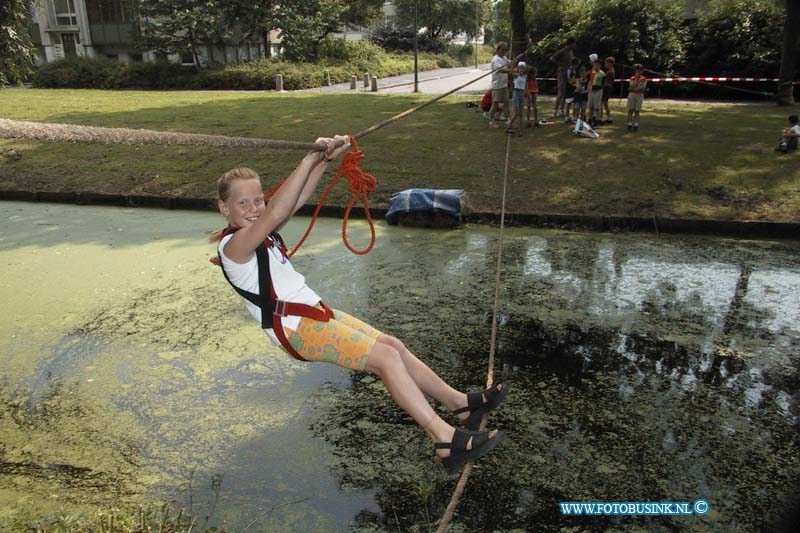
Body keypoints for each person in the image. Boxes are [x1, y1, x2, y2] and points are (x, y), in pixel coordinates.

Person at [211, 138, 507, 474]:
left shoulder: (259, 232)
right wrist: (308, 158)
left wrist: (323, 160)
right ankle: (444, 439)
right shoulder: (234, 247)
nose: (255, 209)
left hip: (315, 314)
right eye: (243, 203)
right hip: (296, 329)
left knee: (392, 346)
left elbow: (293, 202)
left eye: (259, 200)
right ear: (224, 208)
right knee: (385, 360)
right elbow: (278, 210)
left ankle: (461, 405)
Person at [549, 37, 577, 118]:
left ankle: (562, 110)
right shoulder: (563, 51)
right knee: (561, 92)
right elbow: (552, 58)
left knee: (565, 92)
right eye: (574, 43)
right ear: (571, 43)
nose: (575, 45)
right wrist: (560, 64)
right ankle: (555, 111)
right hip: (562, 73)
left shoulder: (571, 52)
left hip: (569, 73)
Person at [489, 42, 512, 128]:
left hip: (504, 85)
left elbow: (510, 63)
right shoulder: (496, 60)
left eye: (505, 50)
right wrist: (510, 70)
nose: (504, 51)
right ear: (498, 49)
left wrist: (515, 60)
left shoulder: (504, 58)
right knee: (495, 104)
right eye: (502, 50)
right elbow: (501, 70)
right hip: (497, 86)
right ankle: (491, 120)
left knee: (506, 103)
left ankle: (509, 120)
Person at [506, 61, 528, 135]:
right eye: (520, 68)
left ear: (524, 69)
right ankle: (509, 126)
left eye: (523, 68)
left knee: (521, 113)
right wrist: (512, 64)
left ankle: (520, 129)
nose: (521, 69)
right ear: (518, 68)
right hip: (516, 93)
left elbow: (525, 85)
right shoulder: (516, 75)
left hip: (522, 94)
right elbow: (511, 72)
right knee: (516, 113)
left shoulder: (525, 76)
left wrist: (526, 92)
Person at [627, 64, 648, 131]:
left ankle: (636, 124)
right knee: (630, 109)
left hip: (639, 96)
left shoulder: (644, 79)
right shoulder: (632, 78)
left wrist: (635, 88)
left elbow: (642, 88)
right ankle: (629, 124)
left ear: (642, 71)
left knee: (637, 110)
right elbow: (631, 87)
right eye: (636, 70)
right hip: (632, 95)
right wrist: (636, 79)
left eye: (639, 70)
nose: (638, 72)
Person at [587, 59, 605, 127]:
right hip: (591, 91)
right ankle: (589, 119)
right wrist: (588, 89)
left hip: (598, 91)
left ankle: (596, 120)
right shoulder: (593, 72)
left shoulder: (602, 74)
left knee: (596, 107)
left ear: (600, 66)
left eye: (597, 65)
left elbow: (603, 84)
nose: (596, 66)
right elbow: (590, 81)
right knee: (590, 106)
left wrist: (598, 87)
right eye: (595, 65)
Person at [564, 58, 579, 124]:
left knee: (574, 103)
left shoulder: (574, 70)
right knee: (568, 102)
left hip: (573, 88)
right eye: (576, 65)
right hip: (569, 89)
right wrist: (576, 81)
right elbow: (569, 81)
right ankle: (567, 117)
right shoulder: (569, 71)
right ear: (574, 64)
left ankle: (573, 117)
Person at [601, 57, 616, 124]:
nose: (605, 64)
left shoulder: (610, 72)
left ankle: (602, 117)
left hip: (606, 88)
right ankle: (609, 117)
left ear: (610, 63)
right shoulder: (610, 71)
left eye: (606, 63)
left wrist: (602, 86)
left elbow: (607, 82)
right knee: (604, 103)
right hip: (607, 88)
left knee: (603, 103)